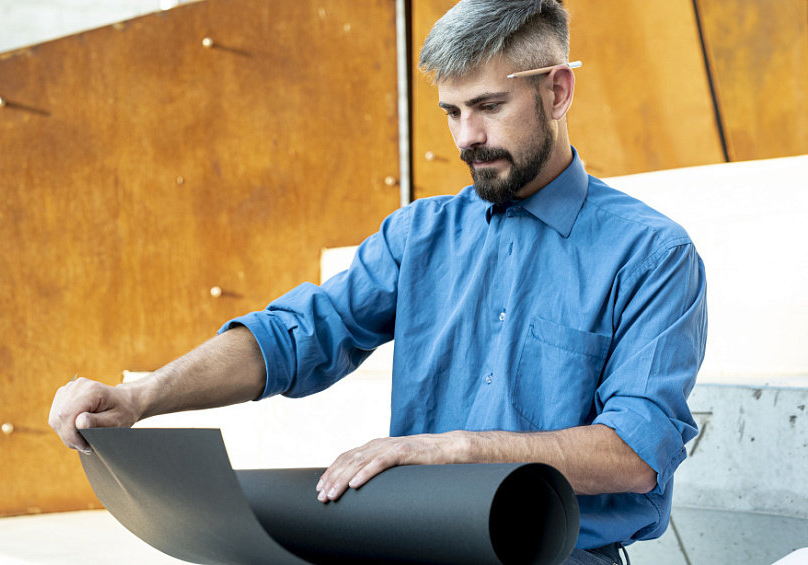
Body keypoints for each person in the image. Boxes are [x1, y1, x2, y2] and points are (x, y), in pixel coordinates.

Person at [49, 1, 707, 563]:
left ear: (557, 91)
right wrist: (142, 397)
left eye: (488, 106)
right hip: (415, 550)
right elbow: (291, 338)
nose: (468, 137)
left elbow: (634, 452)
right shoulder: (418, 236)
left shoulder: (651, 253)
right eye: (452, 111)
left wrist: (458, 450)